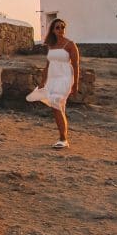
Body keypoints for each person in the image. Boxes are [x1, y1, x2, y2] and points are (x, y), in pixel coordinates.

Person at [26, 18, 79, 149]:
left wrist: (75, 84)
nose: (60, 29)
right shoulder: (52, 46)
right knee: (59, 107)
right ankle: (63, 136)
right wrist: (43, 81)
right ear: (53, 30)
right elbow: (47, 65)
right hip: (53, 78)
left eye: (62, 27)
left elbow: (76, 65)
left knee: (55, 103)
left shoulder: (70, 44)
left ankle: (63, 139)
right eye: (57, 27)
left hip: (65, 77)